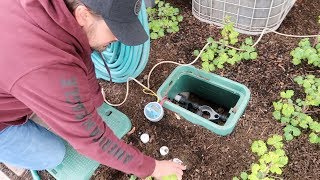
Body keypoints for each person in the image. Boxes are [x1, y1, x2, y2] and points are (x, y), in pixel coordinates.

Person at [0, 0, 186, 179]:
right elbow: (92, 140)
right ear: (83, 15)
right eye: (114, 28)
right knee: (52, 155)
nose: (118, 38)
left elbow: (81, 51)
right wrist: (152, 168)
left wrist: (96, 102)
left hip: (15, 73)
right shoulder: (50, 70)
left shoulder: (60, 16)